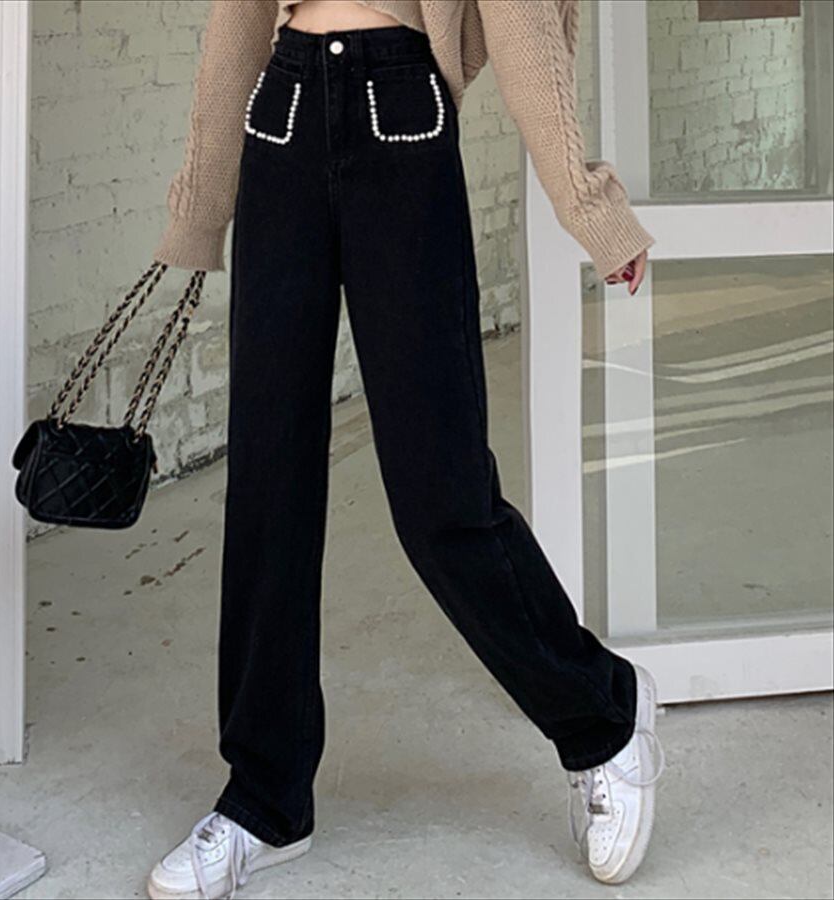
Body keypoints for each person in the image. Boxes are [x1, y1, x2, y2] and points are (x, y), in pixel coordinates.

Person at [146, 2, 664, 898]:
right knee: (267, 487)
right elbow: (239, 19)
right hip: (282, 117)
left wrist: (589, 207)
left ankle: (603, 717)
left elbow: (521, 21)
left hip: (403, 116)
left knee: (442, 493)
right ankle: (265, 800)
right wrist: (201, 207)